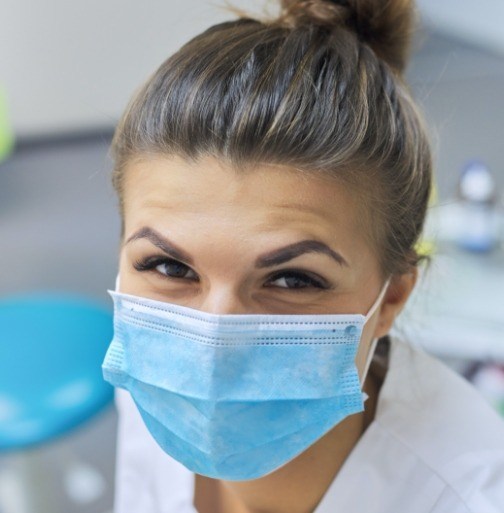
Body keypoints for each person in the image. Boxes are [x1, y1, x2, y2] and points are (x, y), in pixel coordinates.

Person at [101, 0, 504, 512]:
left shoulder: (474, 496)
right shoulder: (154, 379)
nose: (211, 346)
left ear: (392, 298)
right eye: (169, 267)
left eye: (292, 280)